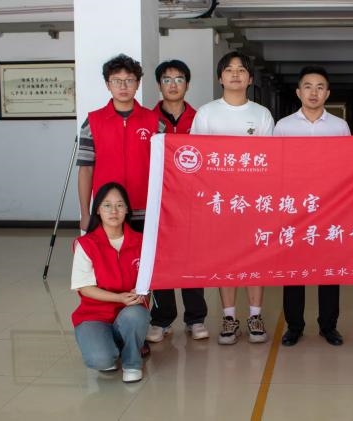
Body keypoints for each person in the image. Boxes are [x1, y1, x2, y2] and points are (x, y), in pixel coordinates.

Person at [190, 51, 274, 345]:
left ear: (250, 79)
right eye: (229, 69)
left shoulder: (261, 114)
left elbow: (269, 160)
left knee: (255, 258)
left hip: (254, 200)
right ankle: (228, 317)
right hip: (218, 201)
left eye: (241, 70)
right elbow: (196, 158)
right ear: (220, 78)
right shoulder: (206, 113)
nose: (235, 74)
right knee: (224, 258)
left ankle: (255, 316)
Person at [274, 65, 351, 347]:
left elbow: (348, 167)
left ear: (328, 93)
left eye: (320, 87)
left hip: (329, 208)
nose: (314, 92)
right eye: (308, 86)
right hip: (293, 209)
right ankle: (294, 326)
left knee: (328, 269)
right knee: (293, 270)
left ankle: (329, 326)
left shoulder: (339, 127)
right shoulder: (283, 126)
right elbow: (276, 167)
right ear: (298, 92)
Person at [146, 59, 209, 343]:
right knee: (161, 260)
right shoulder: (147, 120)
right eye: (167, 80)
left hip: (193, 202)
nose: (173, 85)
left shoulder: (200, 119)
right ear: (159, 85)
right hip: (158, 202)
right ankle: (162, 319)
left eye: (179, 79)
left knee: (193, 259)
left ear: (188, 84)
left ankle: (196, 318)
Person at [71, 182, 150, 383]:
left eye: (119, 205)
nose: (114, 211)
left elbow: (152, 278)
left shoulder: (142, 242)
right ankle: (111, 344)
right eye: (107, 205)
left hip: (129, 311)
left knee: (136, 314)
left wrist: (143, 291)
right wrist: (119, 297)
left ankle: (132, 363)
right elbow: (85, 288)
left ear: (127, 210)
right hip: (94, 315)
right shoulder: (86, 244)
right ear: (98, 209)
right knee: (101, 359)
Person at [76, 53, 164, 233]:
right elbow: (86, 169)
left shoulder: (155, 122)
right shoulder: (92, 122)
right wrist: (85, 213)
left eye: (129, 80)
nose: (123, 86)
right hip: (107, 210)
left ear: (138, 84)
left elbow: (164, 171)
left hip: (146, 210)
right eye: (116, 81)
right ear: (108, 85)